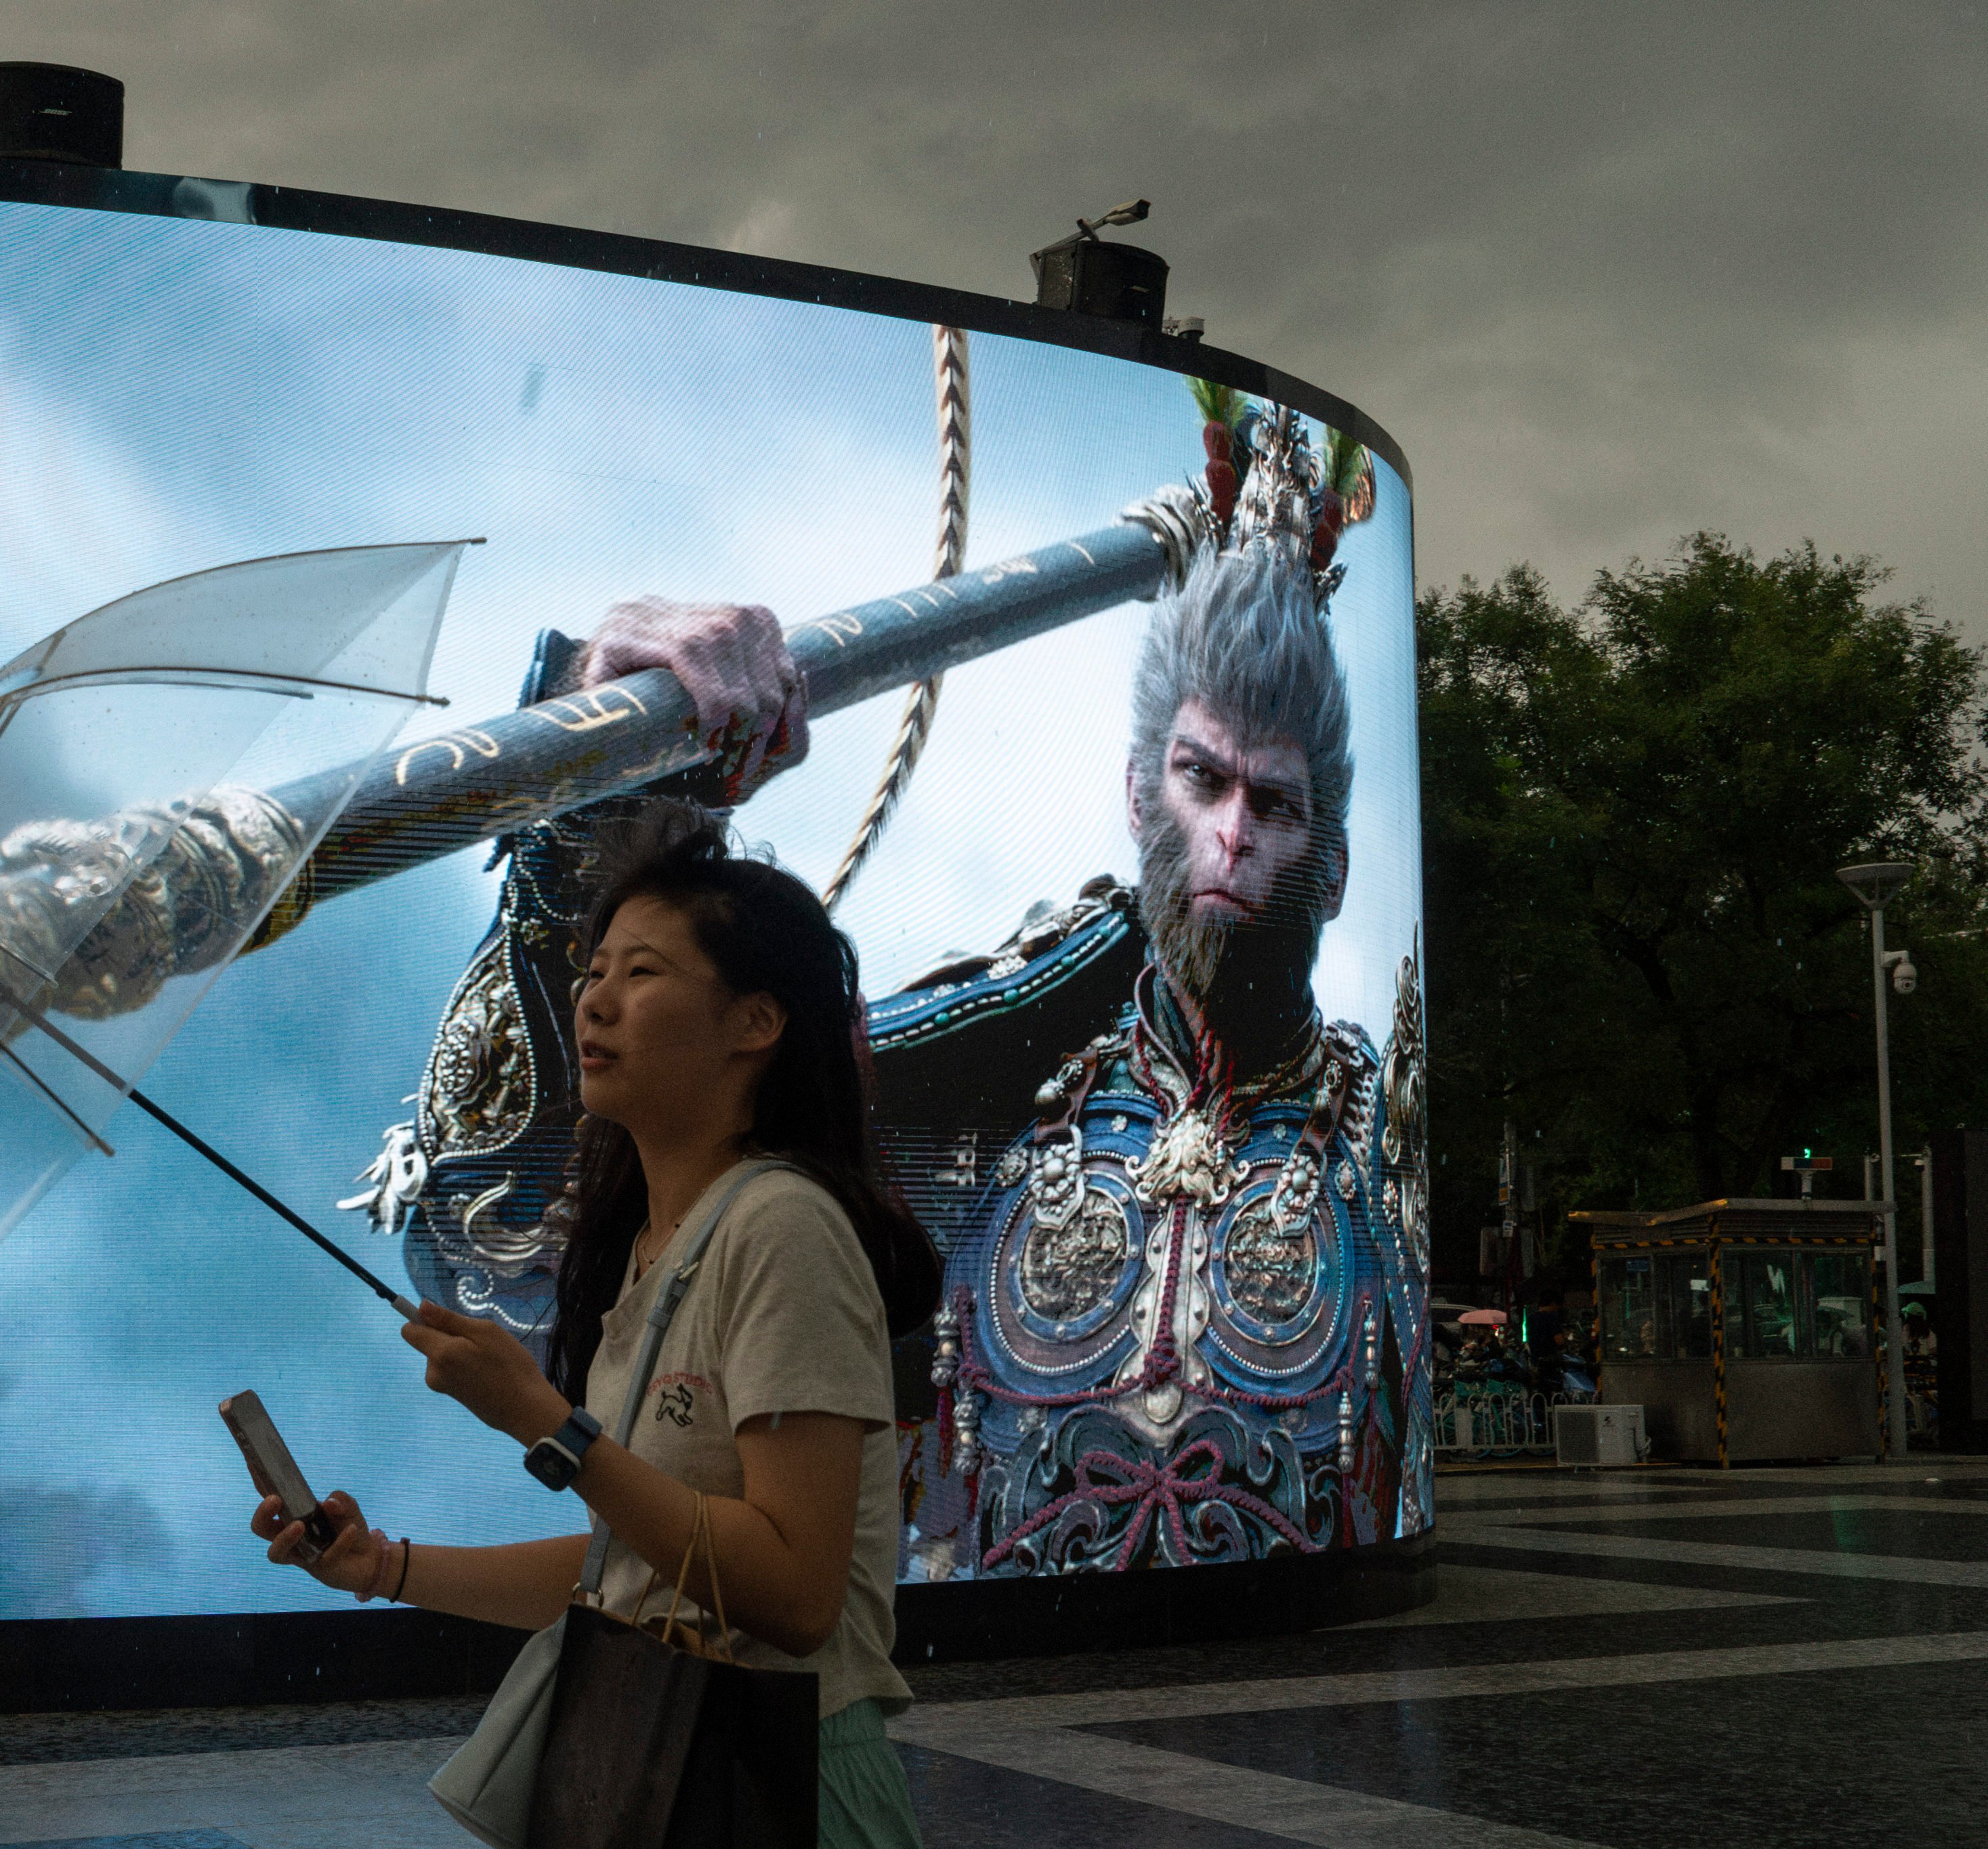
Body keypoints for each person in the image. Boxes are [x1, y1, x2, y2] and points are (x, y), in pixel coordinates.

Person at [371, 404, 1427, 1579]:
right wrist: (605, 765)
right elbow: (506, 1217)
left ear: (1331, 864)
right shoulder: (1003, 1097)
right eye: (1201, 779)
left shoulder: (1387, 1136)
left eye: (1273, 805)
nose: (1231, 835)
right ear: (1140, 795)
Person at [253, 800, 936, 1846]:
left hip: (782, 1786)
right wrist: (381, 1565)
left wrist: (551, 1425)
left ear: (756, 1021)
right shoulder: (655, 1247)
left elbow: (795, 1595)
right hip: (677, 1778)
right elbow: (633, 1569)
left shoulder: (784, 1226)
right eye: (593, 970)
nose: (596, 1000)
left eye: (642, 972)